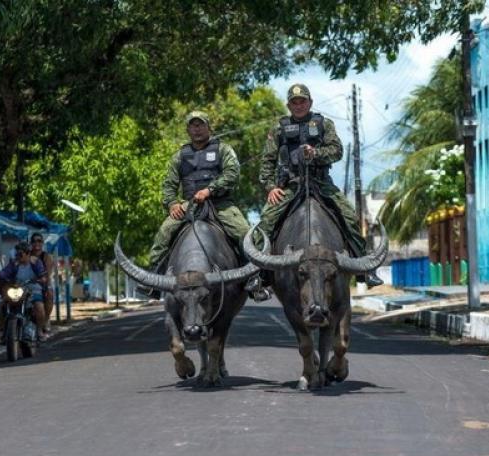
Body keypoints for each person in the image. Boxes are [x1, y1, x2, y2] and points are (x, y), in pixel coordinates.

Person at [252, 83, 383, 288]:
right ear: (288, 105)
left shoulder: (324, 124)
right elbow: (267, 160)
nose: (298, 105)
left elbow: (337, 150)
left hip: (321, 183)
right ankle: (259, 274)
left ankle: (365, 269)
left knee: (349, 217)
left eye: (302, 101)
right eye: (294, 102)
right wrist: (270, 187)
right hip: (290, 186)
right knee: (266, 221)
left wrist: (316, 154)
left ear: (310, 102)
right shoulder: (278, 128)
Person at [143, 110, 269, 300]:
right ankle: (152, 280)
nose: (197, 129)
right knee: (164, 232)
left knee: (245, 233)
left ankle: (255, 279)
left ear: (209, 127)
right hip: (189, 205)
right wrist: (172, 204)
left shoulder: (223, 149)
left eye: (201, 124)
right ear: (188, 129)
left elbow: (232, 174)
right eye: (193, 125)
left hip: (221, 204)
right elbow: (169, 184)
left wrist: (210, 190)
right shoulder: (180, 155)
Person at [0, 241, 49, 343]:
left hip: (33, 287)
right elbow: (5, 272)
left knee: (39, 307)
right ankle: (5, 331)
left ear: (28, 253)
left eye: (20, 254)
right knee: (1, 305)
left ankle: (40, 331)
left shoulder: (36, 262)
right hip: (17, 288)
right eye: (17, 254)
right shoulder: (14, 263)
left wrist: (42, 279)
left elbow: (43, 275)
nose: (18, 256)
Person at [29, 232, 54, 337]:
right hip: (27, 283)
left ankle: (46, 318)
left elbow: (47, 273)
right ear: (31, 243)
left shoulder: (46, 256)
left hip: (42, 282)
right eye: (34, 241)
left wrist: (47, 286)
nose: (36, 243)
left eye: (39, 241)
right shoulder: (26, 255)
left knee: (49, 295)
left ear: (42, 243)